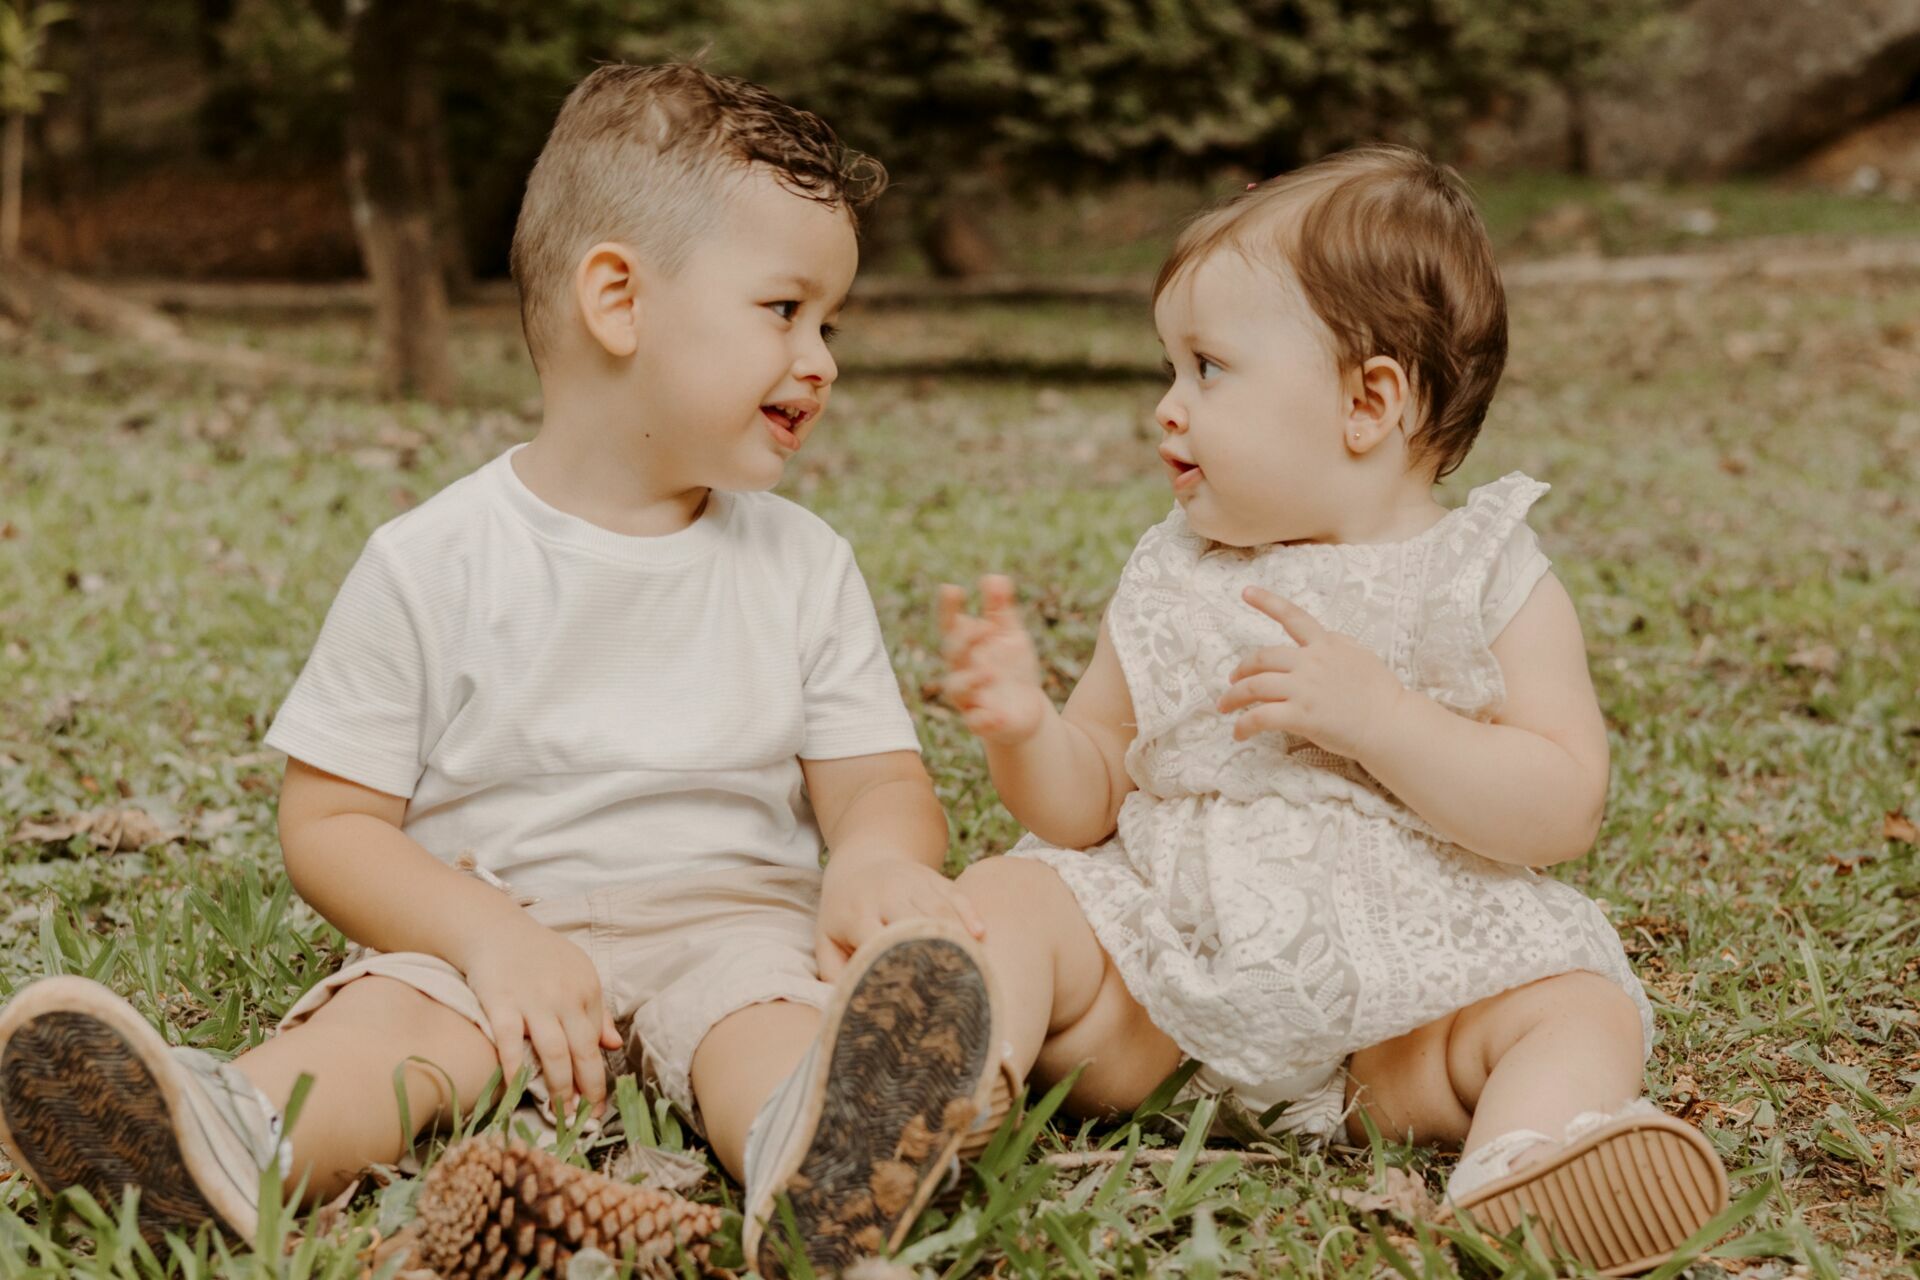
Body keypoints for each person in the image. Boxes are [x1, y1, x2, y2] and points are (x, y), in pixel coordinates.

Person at [0, 63, 1006, 1279]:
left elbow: (877, 780)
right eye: (786, 309)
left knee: (768, 1031)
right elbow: (329, 822)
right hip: (490, 936)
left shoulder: (802, 561)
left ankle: (826, 1152)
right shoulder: (434, 559)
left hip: (731, 929)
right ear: (619, 299)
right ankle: (221, 1140)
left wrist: (878, 860)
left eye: (828, 323)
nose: (822, 359)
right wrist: (487, 937)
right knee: (386, 1029)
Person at [937, 146, 1729, 1275]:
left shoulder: (1481, 577)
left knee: (1575, 1003)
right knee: (1007, 896)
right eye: (1169, 365)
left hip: (1396, 1023)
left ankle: (1522, 1167)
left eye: (1207, 367)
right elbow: (1090, 793)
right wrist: (1027, 730)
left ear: (1369, 400)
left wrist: (1388, 719)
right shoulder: (1175, 572)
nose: (1166, 406)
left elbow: (1562, 803)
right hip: (1165, 993)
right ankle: (946, 1081)